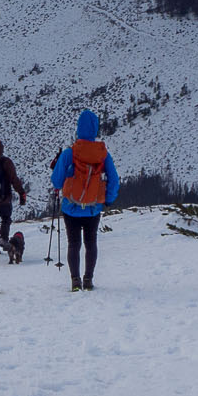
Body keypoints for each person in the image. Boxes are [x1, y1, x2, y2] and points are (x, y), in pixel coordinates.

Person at [50, 109, 119, 293]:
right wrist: (108, 199)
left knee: (74, 244)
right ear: (95, 129)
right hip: (93, 208)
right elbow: (114, 179)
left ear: (78, 128)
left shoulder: (69, 153)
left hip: (70, 207)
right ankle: (88, 279)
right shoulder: (103, 154)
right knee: (91, 243)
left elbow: (56, 180)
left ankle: (75, 280)